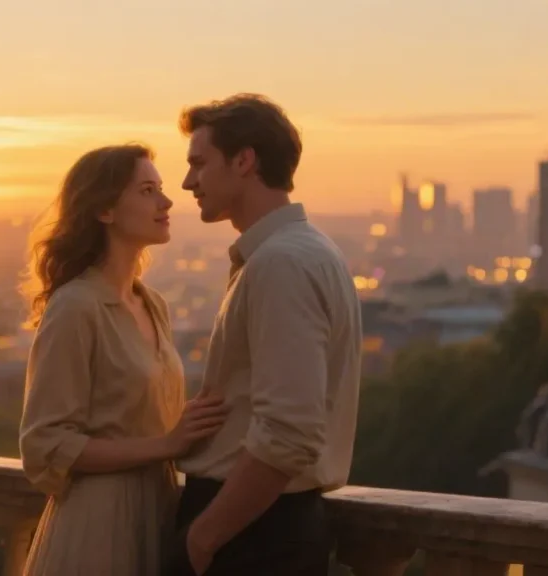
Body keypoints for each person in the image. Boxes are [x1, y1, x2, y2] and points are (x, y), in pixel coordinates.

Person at [167, 94, 363, 576]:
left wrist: (201, 537)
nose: (188, 182)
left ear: (245, 160)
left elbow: (289, 433)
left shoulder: (281, 263)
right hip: (263, 523)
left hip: (252, 532)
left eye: (199, 163)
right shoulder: (301, 252)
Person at [19, 144, 229, 576]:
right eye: (147, 190)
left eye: (161, 189)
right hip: (99, 525)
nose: (166, 202)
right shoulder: (75, 306)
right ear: (104, 211)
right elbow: (45, 443)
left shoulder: (152, 303)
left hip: (157, 512)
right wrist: (165, 445)